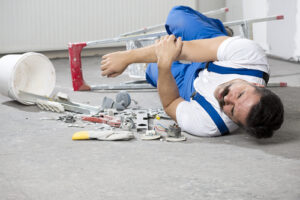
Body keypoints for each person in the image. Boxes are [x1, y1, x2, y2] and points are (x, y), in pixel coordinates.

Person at [100, 6, 284, 138]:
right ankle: (222, 34)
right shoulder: (249, 56)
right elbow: (182, 49)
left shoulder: (210, 124)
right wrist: (127, 57)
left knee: (152, 69)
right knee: (177, 17)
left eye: (232, 110)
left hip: (192, 86)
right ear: (256, 84)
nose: (227, 98)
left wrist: (164, 65)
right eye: (241, 94)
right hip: (215, 57)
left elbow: (171, 103)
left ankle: (212, 45)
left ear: (236, 123)